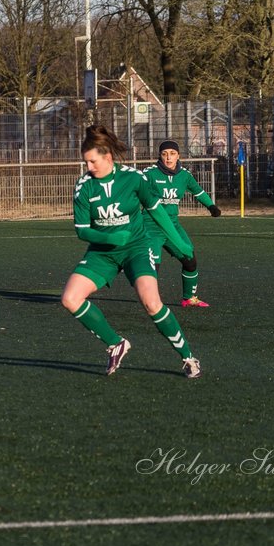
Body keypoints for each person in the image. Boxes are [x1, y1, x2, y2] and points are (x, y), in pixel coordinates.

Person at [59, 125, 201, 379]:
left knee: (152, 303)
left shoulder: (134, 178)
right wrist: (109, 237)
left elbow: (156, 210)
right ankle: (116, 344)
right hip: (102, 252)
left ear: (108, 158)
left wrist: (179, 242)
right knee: (70, 298)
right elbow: (82, 230)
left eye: (93, 161)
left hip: (136, 247)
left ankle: (188, 357)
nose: (89, 167)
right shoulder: (84, 186)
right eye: (86, 162)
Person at [141, 140, 222, 307]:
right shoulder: (149, 174)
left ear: (178, 155)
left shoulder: (184, 175)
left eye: (172, 153)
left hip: (172, 226)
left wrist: (211, 206)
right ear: (160, 156)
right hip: (151, 226)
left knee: (190, 259)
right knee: (153, 266)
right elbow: (133, 192)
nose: (168, 157)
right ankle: (152, 302)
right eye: (164, 154)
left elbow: (198, 192)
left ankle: (189, 298)